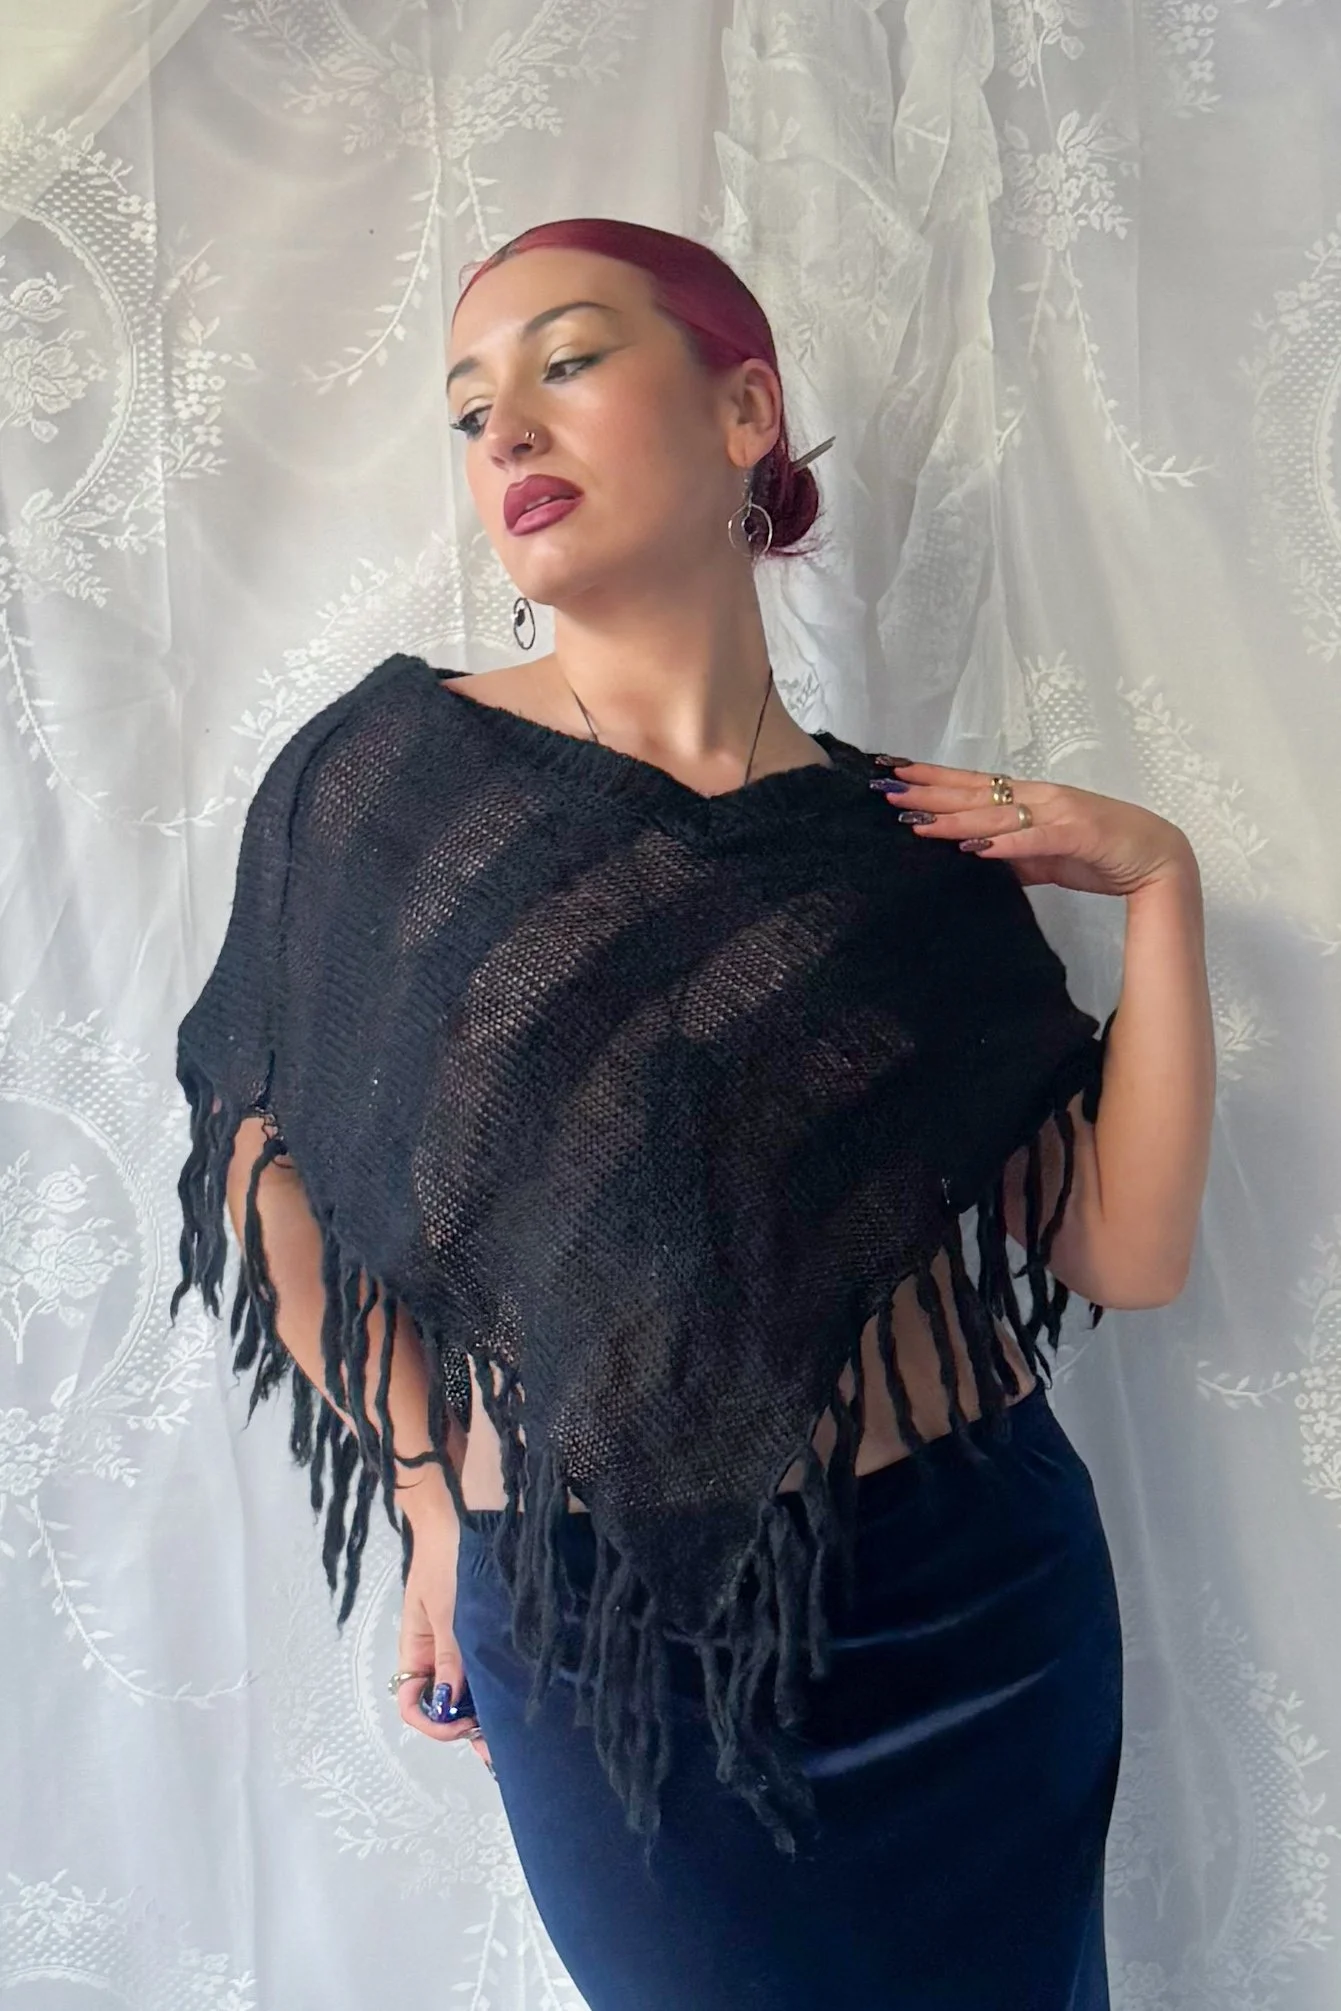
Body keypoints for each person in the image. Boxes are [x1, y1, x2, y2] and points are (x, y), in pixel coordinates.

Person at [170, 218, 1216, 2008]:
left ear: (746, 411)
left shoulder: (907, 851)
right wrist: (426, 1500)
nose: (507, 428)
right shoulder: (389, 784)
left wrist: (1163, 883)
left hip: (982, 1601)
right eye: (470, 408)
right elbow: (266, 1171)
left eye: (568, 359)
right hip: (603, 1642)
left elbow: (1123, 1246)